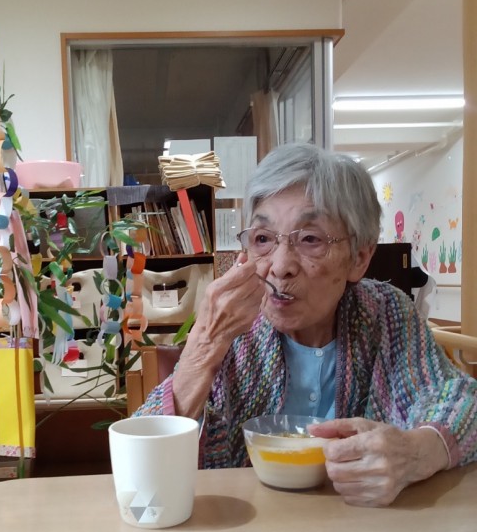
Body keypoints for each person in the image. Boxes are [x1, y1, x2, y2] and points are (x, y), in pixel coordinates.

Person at [135, 143, 477, 507]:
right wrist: (205, 344)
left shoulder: (385, 313)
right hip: (243, 524)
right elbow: (143, 462)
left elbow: (461, 402)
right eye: (263, 239)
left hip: (362, 525)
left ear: (360, 258)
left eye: (310, 239)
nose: (280, 266)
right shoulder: (233, 327)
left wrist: (414, 452)